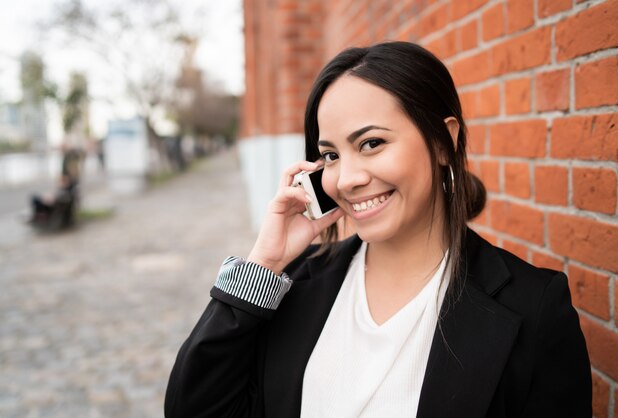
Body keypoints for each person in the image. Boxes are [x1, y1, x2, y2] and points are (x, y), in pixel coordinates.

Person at [165, 42, 591, 418]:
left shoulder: (535, 309)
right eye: (330, 155)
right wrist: (265, 263)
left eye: (371, 143)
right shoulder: (296, 284)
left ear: (444, 142)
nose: (346, 178)